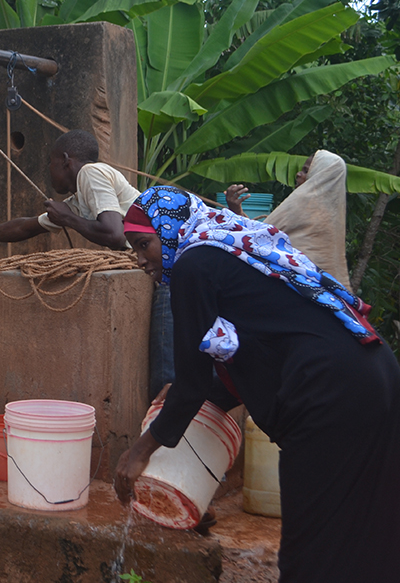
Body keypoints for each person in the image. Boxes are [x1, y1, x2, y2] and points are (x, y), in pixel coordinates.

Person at [114, 186, 400, 582]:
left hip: (329, 390)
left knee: (312, 540)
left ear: (168, 230)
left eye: (144, 245)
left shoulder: (193, 265)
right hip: (372, 370)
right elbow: (255, 345)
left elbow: (192, 383)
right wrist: (193, 395)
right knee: (368, 522)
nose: (140, 259)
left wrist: (139, 452)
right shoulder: (228, 249)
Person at [0, 129, 139, 254]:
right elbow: (25, 227)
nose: (49, 170)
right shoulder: (79, 201)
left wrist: (67, 219)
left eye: (50, 162)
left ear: (65, 160)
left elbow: (115, 235)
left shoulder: (90, 173)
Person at [226, 150, 351, 290]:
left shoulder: (303, 202)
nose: (298, 174)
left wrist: (236, 212)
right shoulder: (332, 213)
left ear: (319, 175)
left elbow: (259, 237)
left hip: (293, 288)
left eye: (305, 171)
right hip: (325, 292)